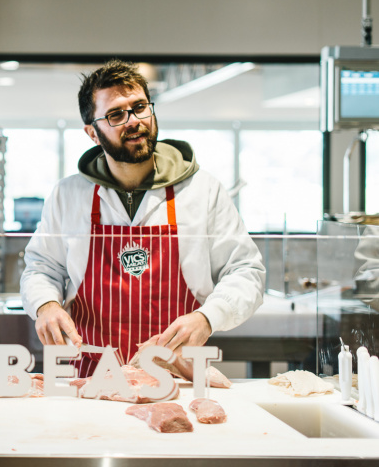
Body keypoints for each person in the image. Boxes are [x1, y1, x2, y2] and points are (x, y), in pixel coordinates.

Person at [20, 59, 265, 376]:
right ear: (92, 133)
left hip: (178, 378)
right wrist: (46, 304)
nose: (134, 121)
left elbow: (245, 271)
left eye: (139, 107)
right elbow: (41, 268)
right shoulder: (68, 195)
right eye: (116, 114)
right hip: (90, 378)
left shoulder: (202, 190)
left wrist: (208, 317)